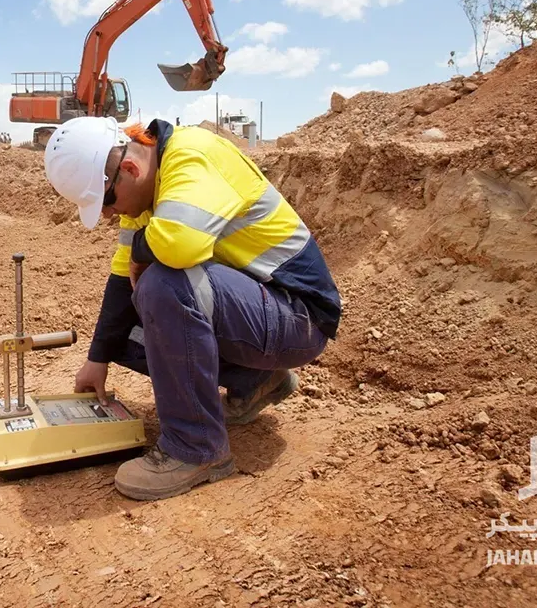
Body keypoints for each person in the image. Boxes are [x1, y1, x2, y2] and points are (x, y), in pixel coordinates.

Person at [43, 115, 342, 501]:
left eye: (106, 202)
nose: (107, 215)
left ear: (130, 169)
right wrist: (98, 357)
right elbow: (121, 279)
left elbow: (180, 244)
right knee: (127, 328)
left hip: (298, 316)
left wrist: (140, 254)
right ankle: (255, 381)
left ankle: (195, 448)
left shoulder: (190, 156)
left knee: (163, 283)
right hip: (261, 313)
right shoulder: (147, 191)